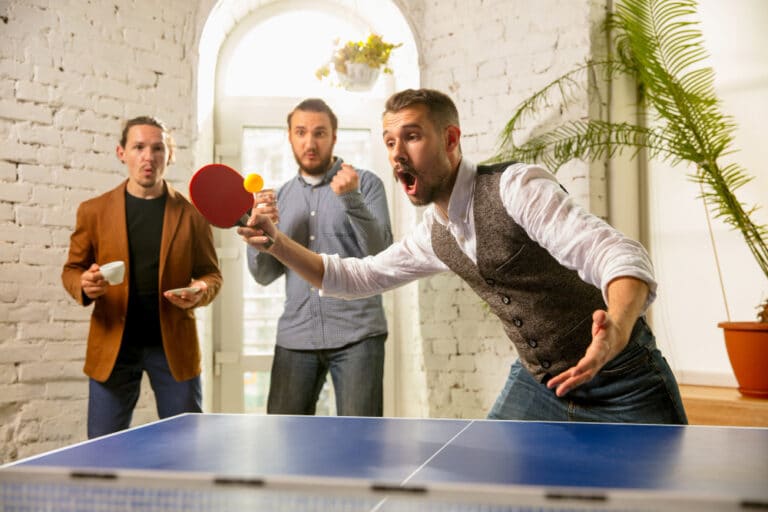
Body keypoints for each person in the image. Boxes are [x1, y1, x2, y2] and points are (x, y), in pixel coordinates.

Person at [238, 88, 688, 424]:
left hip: (625, 382)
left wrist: (618, 328)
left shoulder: (516, 188)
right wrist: (275, 240)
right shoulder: (435, 233)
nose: (397, 154)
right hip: (540, 384)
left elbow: (617, 253)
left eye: (411, 137)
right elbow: (354, 277)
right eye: (390, 142)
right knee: (482, 492)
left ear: (451, 139)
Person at [62, 116, 223, 438]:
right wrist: (83, 284)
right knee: (103, 448)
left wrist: (200, 288)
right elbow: (73, 269)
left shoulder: (192, 215)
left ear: (169, 154)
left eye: (157, 148)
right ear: (122, 153)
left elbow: (211, 274)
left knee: (187, 444)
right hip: (113, 345)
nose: (148, 156)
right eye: (138, 147)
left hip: (173, 345)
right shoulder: (93, 211)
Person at [247, 98, 393, 416]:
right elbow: (263, 275)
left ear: (334, 137)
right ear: (289, 136)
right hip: (295, 338)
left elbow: (381, 258)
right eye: (301, 132)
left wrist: (351, 199)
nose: (309, 143)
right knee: (285, 444)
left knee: (359, 446)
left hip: (358, 336)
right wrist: (259, 236)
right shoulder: (279, 197)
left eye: (319, 133)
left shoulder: (365, 184)